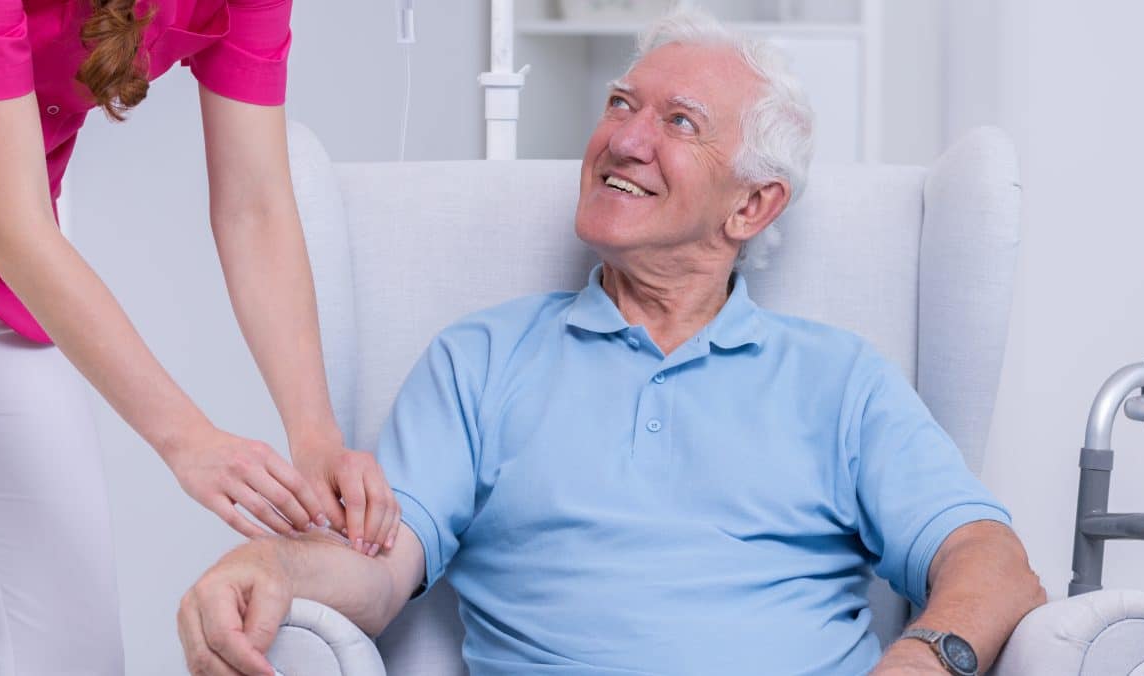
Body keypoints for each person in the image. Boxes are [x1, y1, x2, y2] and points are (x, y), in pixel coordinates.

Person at [177, 9, 1045, 676]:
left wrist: (926, 660)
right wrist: (270, 565)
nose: (623, 139)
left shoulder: (841, 379)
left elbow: (993, 564)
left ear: (752, 205)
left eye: (680, 123)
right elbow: (375, 574)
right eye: (622, 104)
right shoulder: (480, 359)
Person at [0, 0, 398, 673]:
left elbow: (256, 203)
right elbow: (20, 229)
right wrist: (190, 441)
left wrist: (316, 435)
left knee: (69, 648)